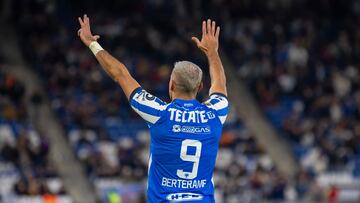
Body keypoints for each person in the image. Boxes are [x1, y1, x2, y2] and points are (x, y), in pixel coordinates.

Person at [78, 14, 229, 202]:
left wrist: (92, 44)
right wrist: (212, 52)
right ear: (200, 87)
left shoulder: (159, 113)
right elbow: (220, 85)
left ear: (171, 85)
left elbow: (121, 74)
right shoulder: (216, 113)